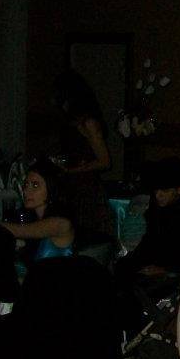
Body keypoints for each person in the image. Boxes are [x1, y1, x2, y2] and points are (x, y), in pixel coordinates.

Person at [115, 156, 180, 290]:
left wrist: (167, 269)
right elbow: (152, 238)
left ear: (179, 190)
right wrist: (133, 261)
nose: (158, 195)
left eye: (165, 191)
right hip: (163, 259)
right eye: (156, 190)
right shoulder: (159, 204)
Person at [52, 69, 114, 237]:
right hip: (70, 188)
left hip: (86, 191)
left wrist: (73, 170)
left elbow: (104, 161)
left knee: (86, 235)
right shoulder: (70, 122)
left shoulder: (89, 123)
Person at [0, 160, 74, 263]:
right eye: (26, 185)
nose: (26, 191)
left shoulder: (60, 223)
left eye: (35, 185)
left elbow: (18, 231)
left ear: (51, 188)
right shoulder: (32, 218)